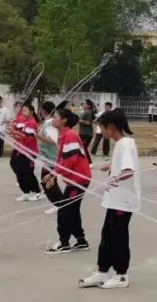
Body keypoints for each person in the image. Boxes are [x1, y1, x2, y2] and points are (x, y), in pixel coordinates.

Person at [80, 109, 138, 288]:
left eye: (102, 128)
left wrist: (115, 177)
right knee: (107, 234)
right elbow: (120, 165)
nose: (101, 132)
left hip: (123, 200)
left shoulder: (126, 144)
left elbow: (128, 171)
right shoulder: (120, 143)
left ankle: (121, 275)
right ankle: (102, 272)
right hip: (114, 199)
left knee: (118, 237)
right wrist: (104, 167)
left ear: (112, 127)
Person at [44, 106, 91, 254]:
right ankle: (81, 240)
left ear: (64, 120)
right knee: (72, 210)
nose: (53, 119)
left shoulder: (70, 135)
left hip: (79, 179)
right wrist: (52, 173)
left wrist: (54, 175)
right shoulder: (63, 135)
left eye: (56, 116)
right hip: (75, 179)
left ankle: (64, 242)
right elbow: (61, 160)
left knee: (64, 210)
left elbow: (70, 160)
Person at [9, 103, 43, 201]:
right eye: (22, 110)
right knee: (17, 169)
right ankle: (26, 192)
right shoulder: (22, 120)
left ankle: (37, 191)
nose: (22, 112)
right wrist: (14, 131)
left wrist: (15, 133)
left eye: (25, 110)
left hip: (29, 152)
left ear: (31, 112)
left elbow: (27, 138)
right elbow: (16, 131)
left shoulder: (32, 123)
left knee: (27, 172)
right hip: (19, 149)